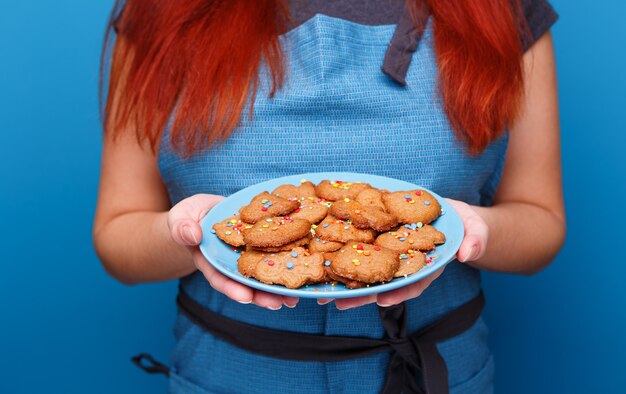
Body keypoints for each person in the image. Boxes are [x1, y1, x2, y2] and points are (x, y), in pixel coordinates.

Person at [93, 0, 565, 392]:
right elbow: (118, 240)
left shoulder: (503, 11)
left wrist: (475, 231)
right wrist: (184, 234)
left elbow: (540, 221)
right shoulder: (161, 12)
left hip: (436, 373)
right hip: (226, 376)